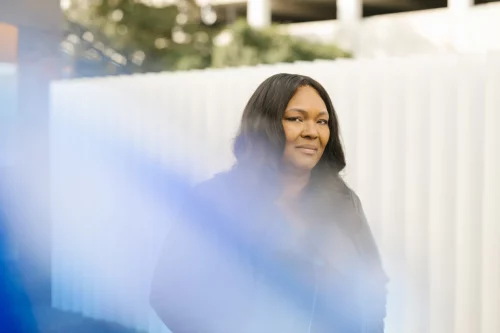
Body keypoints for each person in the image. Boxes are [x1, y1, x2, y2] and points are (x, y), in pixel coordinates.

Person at [150, 73, 388, 333]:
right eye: (296, 119)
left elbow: (372, 288)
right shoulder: (215, 200)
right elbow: (168, 294)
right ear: (265, 125)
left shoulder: (344, 203)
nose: (312, 132)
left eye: (322, 121)